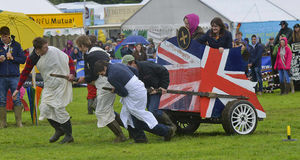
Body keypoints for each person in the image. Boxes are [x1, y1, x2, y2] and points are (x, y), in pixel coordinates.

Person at [13, 37, 75, 144]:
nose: (47, 49)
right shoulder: (33, 57)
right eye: (44, 48)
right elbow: (25, 73)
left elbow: (68, 59)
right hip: (49, 85)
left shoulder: (54, 51)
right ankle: (59, 130)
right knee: (44, 108)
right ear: (38, 50)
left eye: (47, 46)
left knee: (59, 108)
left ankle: (69, 136)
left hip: (61, 83)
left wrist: (72, 73)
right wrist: (18, 89)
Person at [94, 60, 175, 142]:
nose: (103, 76)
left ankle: (165, 131)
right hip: (139, 89)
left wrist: (115, 90)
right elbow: (135, 71)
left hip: (134, 95)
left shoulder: (111, 77)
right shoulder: (118, 65)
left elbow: (124, 93)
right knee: (132, 117)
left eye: (102, 73)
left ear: (104, 68)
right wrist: (134, 83)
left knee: (137, 119)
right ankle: (140, 138)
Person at [75, 35, 126, 143]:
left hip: (105, 83)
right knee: (107, 110)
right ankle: (131, 129)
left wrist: (85, 79)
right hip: (106, 82)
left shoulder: (91, 55)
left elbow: (94, 73)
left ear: (83, 45)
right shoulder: (97, 51)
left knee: (101, 111)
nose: (79, 50)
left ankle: (120, 136)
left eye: (79, 47)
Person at [121, 55, 177, 131]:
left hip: (156, 90)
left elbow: (164, 71)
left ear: (133, 63)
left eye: (128, 66)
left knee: (153, 110)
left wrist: (163, 86)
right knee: (149, 111)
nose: (127, 69)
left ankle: (171, 126)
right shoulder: (131, 72)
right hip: (145, 92)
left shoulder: (147, 65)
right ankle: (164, 128)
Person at [0, 26, 26, 128]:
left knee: (17, 99)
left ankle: (19, 122)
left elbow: (23, 60)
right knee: (1, 100)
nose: (3, 39)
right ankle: (2, 123)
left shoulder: (17, 45)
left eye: (5, 36)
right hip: (1, 77)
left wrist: (12, 58)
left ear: (9, 35)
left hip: (14, 77)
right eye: (2, 37)